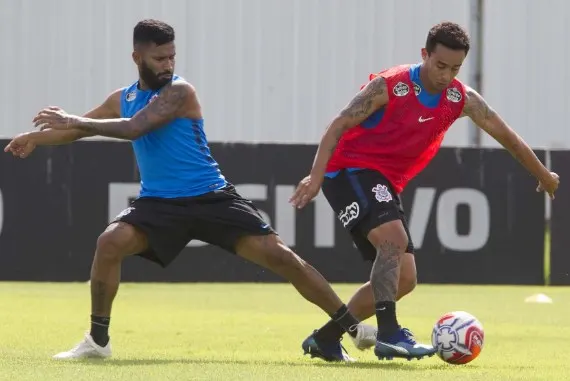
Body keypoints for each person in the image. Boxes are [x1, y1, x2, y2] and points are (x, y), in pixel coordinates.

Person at [5, 19, 376, 361]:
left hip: (211, 197)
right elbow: (79, 130)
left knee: (282, 258)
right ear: (137, 56)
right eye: (159, 57)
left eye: (172, 56)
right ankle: (97, 342)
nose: (167, 64)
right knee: (109, 243)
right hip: (159, 205)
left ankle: (351, 328)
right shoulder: (123, 97)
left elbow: (134, 128)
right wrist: (35, 138)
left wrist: (72, 118)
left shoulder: (180, 91)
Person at [290, 21, 560, 362]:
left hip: (385, 181)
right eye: (440, 65)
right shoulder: (390, 85)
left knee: (404, 278)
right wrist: (315, 177)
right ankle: (389, 333)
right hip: (349, 169)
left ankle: (326, 339)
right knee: (393, 238)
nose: (446, 75)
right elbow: (340, 122)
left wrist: (544, 175)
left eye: (455, 68)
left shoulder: (460, 98)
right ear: (425, 55)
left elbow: (505, 135)